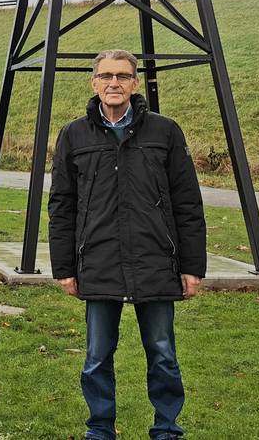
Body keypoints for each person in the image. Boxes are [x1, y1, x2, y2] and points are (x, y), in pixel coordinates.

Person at [48, 49, 206, 440]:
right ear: (94, 83)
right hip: (98, 261)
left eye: (122, 76)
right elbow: (62, 204)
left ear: (135, 84)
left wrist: (192, 266)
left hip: (155, 260)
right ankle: (100, 428)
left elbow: (187, 202)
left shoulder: (165, 131)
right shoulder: (74, 135)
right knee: (96, 357)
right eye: (105, 76)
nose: (113, 83)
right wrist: (63, 267)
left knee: (163, 355)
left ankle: (166, 428)